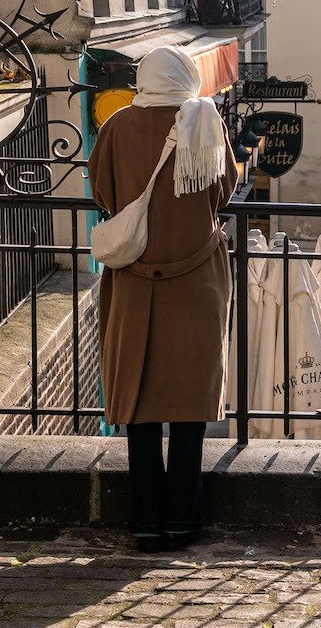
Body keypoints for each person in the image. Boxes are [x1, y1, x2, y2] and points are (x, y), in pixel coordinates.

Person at [91, 46, 241, 552]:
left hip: (134, 283)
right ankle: (182, 520)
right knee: (188, 409)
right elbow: (222, 192)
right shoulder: (205, 120)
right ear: (185, 76)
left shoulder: (115, 127)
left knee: (139, 408)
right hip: (196, 282)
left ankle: (145, 522)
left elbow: (103, 192)